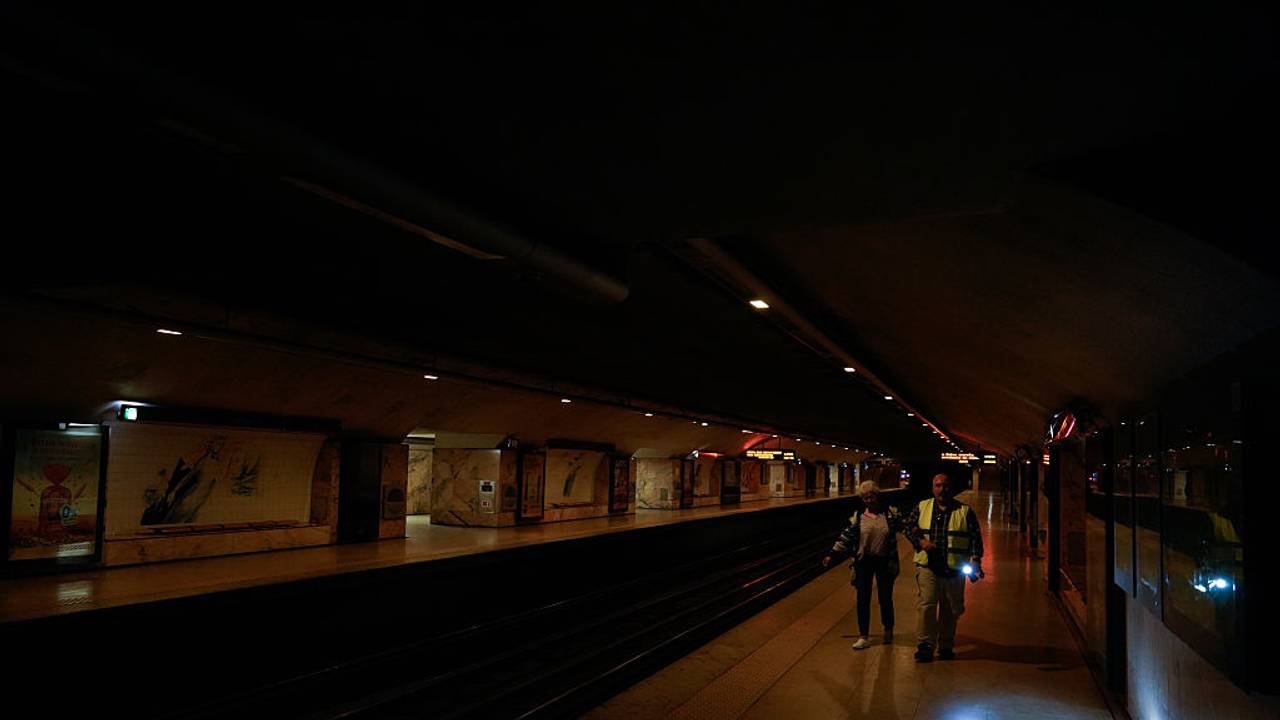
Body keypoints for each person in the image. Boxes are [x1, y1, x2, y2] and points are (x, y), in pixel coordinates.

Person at [904, 473, 984, 662]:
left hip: (954, 568)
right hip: (928, 566)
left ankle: (945, 645)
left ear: (951, 488)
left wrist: (976, 560)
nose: (942, 489)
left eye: (946, 485)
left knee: (950, 609)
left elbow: (975, 537)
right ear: (933, 488)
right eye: (938, 485)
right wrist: (920, 541)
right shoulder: (922, 507)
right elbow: (907, 527)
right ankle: (925, 645)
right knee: (927, 606)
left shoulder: (964, 511)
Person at [822, 481, 909, 650]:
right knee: (863, 599)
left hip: (885, 561)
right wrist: (831, 554)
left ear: (877, 496)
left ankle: (888, 628)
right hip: (863, 562)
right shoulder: (858, 517)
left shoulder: (890, 514)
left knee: (885, 598)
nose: (869, 500)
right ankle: (863, 636)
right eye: (865, 498)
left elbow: (906, 528)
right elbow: (846, 537)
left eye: (871, 496)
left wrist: (920, 541)